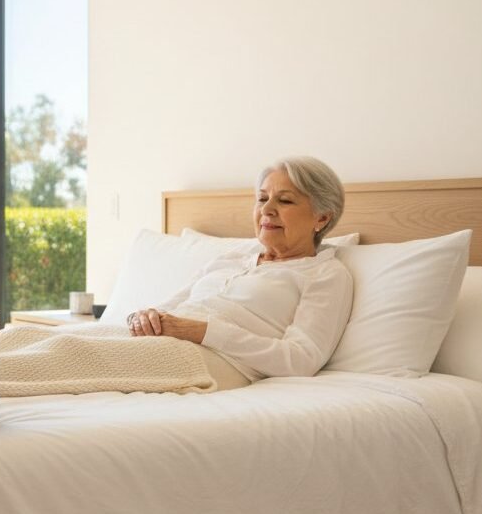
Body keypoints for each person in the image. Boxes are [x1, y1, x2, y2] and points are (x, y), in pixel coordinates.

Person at [127, 156, 355, 390]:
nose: (266, 209)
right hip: (159, 343)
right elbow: (165, 309)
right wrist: (141, 318)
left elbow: (300, 360)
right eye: (262, 198)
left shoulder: (325, 274)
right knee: (92, 340)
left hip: (213, 361)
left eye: (285, 201)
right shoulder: (232, 259)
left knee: (88, 354)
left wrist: (202, 331)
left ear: (322, 217)